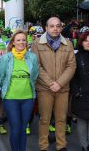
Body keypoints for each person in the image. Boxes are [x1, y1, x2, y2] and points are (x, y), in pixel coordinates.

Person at [31, 17, 76, 151]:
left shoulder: (68, 43)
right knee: (44, 119)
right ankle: (43, 146)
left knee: (61, 119)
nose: (55, 29)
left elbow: (71, 66)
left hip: (62, 89)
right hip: (45, 88)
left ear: (61, 28)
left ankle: (61, 145)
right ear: (46, 28)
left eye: (58, 26)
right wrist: (51, 83)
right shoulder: (37, 43)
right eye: (52, 26)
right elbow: (36, 66)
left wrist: (60, 83)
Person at [0, 30, 39, 151]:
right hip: (11, 98)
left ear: (27, 42)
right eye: (18, 40)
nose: (21, 42)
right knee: (15, 128)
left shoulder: (32, 57)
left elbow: (35, 75)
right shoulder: (6, 58)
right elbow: (1, 76)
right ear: (13, 43)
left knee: (23, 128)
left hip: (28, 98)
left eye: (23, 40)